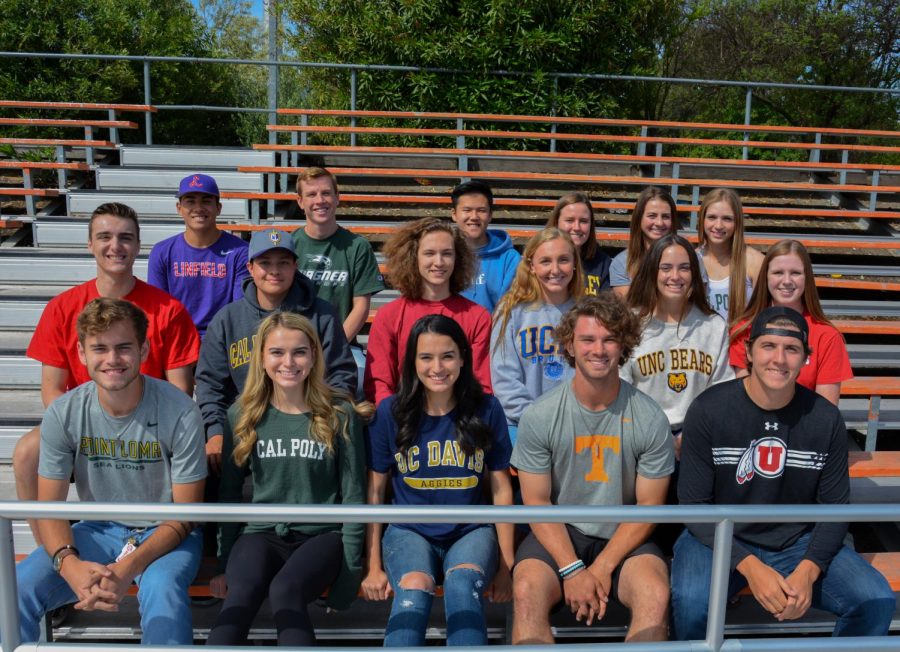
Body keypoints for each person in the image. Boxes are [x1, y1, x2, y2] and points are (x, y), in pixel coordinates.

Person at [672, 306, 895, 640]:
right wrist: (751, 567)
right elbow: (693, 503)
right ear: (748, 351)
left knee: (874, 600)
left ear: (805, 358)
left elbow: (834, 508)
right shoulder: (709, 409)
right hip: (720, 534)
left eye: (791, 349)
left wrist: (809, 570)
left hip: (795, 539)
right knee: (691, 601)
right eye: (768, 346)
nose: (779, 359)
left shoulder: (824, 418)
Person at [10, 298, 206, 645]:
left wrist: (127, 567)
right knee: (16, 587)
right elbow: (48, 507)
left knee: (163, 593)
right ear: (82, 354)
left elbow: (185, 516)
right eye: (99, 348)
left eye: (124, 347)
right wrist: (70, 567)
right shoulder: (65, 412)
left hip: (165, 531)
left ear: (144, 349)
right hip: (98, 529)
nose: (112, 359)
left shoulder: (181, 411)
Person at [13, 202, 200, 544]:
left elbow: (180, 391)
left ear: (138, 245)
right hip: (82, 423)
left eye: (126, 237)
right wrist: (88, 427)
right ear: (89, 244)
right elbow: (52, 391)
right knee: (27, 452)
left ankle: (171, 542)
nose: (116, 246)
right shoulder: (62, 308)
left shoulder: (169, 310)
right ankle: (52, 554)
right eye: (105, 237)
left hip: (150, 423)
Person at [511, 295, 674, 644]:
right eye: (587, 339)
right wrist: (572, 569)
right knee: (526, 590)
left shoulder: (649, 417)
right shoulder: (540, 415)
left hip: (624, 533)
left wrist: (601, 568)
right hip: (561, 531)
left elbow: (649, 507)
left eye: (609, 339)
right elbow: (537, 503)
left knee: (655, 593)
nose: (598, 349)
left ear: (624, 345)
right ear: (570, 344)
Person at [207, 312, 371, 646]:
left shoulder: (339, 413)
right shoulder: (243, 413)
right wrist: (225, 562)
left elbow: (354, 495)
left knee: (285, 591)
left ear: (313, 356)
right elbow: (229, 492)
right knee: (240, 598)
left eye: (299, 352)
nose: (288, 362)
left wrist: (350, 574)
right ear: (262, 358)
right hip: (262, 533)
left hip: (321, 535)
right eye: (277, 352)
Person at [361, 314, 514, 646]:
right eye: (426, 357)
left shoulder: (486, 409)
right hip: (409, 529)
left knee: (462, 586)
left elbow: (501, 489)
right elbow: (375, 491)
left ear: (462, 357)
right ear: (412, 361)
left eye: (447, 356)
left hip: (470, 528)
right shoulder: (391, 412)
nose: (437, 367)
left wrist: (506, 565)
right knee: (414, 586)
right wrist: (373, 565)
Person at [196, 227, 356, 474]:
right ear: (250, 268)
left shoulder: (321, 314)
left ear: (295, 266)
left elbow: (341, 374)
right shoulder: (228, 319)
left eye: (283, 262)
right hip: (245, 428)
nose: (274, 270)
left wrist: (323, 420)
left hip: (309, 425)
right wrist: (216, 432)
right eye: (265, 262)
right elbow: (211, 384)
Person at [621, 234, 733, 456]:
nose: (675, 276)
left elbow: (721, 392)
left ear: (694, 274)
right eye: (666, 268)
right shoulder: (631, 323)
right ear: (652, 271)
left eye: (684, 268)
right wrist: (655, 435)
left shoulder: (713, 325)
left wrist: (693, 432)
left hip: (697, 438)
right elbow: (621, 389)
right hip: (643, 439)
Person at [363, 218, 492, 406]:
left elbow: (482, 384)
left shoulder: (478, 317)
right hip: (403, 419)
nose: (439, 262)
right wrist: (394, 419)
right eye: (429, 253)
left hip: (459, 421)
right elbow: (379, 384)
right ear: (413, 257)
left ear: (458, 258)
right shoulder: (388, 315)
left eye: (447, 254)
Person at [729, 239, 851, 406]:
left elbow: (825, 411)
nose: (787, 281)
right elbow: (744, 401)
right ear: (765, 276)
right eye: (778, 272)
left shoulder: (827, 336)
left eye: (795, 273)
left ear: (806, 278)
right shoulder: (743, 329)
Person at [491, 228, 583, 442]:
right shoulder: (510, 311)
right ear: (531, 266)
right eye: (545, 261)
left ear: (575, 264)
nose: (555, 269)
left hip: (574, 424)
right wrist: (535, 420)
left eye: (563, 260)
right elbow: (504, 378)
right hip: (520, 423)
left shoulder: (586, 311)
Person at [147, 173, 249, 339]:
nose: (198, 207)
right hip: (177, 339)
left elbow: (239, 310)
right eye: (190, 201)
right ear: (179, 208)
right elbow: (159, 310)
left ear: (219, 208)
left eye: (206, 201)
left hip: (222, 339)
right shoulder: (162, 251)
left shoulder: (240, 251)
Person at [292, 166, 385, 343]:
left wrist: (333, 347)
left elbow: (361, 306)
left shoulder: (357, 247)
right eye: (311, 194)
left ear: (337, 197)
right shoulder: (289, 245)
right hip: (295, 346)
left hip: (341, 344)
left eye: (326, 193)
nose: (320, 200)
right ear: (300, 202)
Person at [694, 188, 764, 324]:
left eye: (727, 219)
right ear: (702, 219)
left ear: (737, 222)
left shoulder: (756, 262)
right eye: (712, 217)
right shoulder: (691, 260)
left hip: (740, 342)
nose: (718, 225)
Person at [449, 180, 520, 312]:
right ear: (454, 214)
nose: (474, 217)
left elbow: (510, 310)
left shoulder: (510, 259)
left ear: (490, 215)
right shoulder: (444, 255)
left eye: (481, 210)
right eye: (467, 210)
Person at [610, 186, 680, 299]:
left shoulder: (688, 258)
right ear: (639, 218)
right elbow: (628, 309)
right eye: (652, 216)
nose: (659, 222)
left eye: (666, 216)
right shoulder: (621, 263)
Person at [546, 191, 612, 295]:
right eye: (569, 220)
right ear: (556, 222)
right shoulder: (539, 259)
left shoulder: (603, 263)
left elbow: (606, 307)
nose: (577, 227)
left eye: (583, 221)